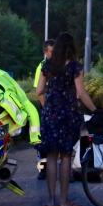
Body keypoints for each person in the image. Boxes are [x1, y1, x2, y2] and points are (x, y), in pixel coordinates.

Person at [36, 32, 97, 206]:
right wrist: (95, 110)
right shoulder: (75, 67)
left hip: (51, 111)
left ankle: (51, 200)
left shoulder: (47, 65)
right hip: (68, 112)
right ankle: (64, 200)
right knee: (66, 156)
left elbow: (39, 90)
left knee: (51, 156)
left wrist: (53, 86)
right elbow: (82, 92)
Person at [34, 39, 55, 180]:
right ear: (45, 52)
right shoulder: (42, 66)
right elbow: (40, 91)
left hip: (58, 109)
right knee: (43, 141)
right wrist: (46, 109)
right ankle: (42, 169)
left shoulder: (61, 65)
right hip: (48, 109)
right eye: (52, 52)